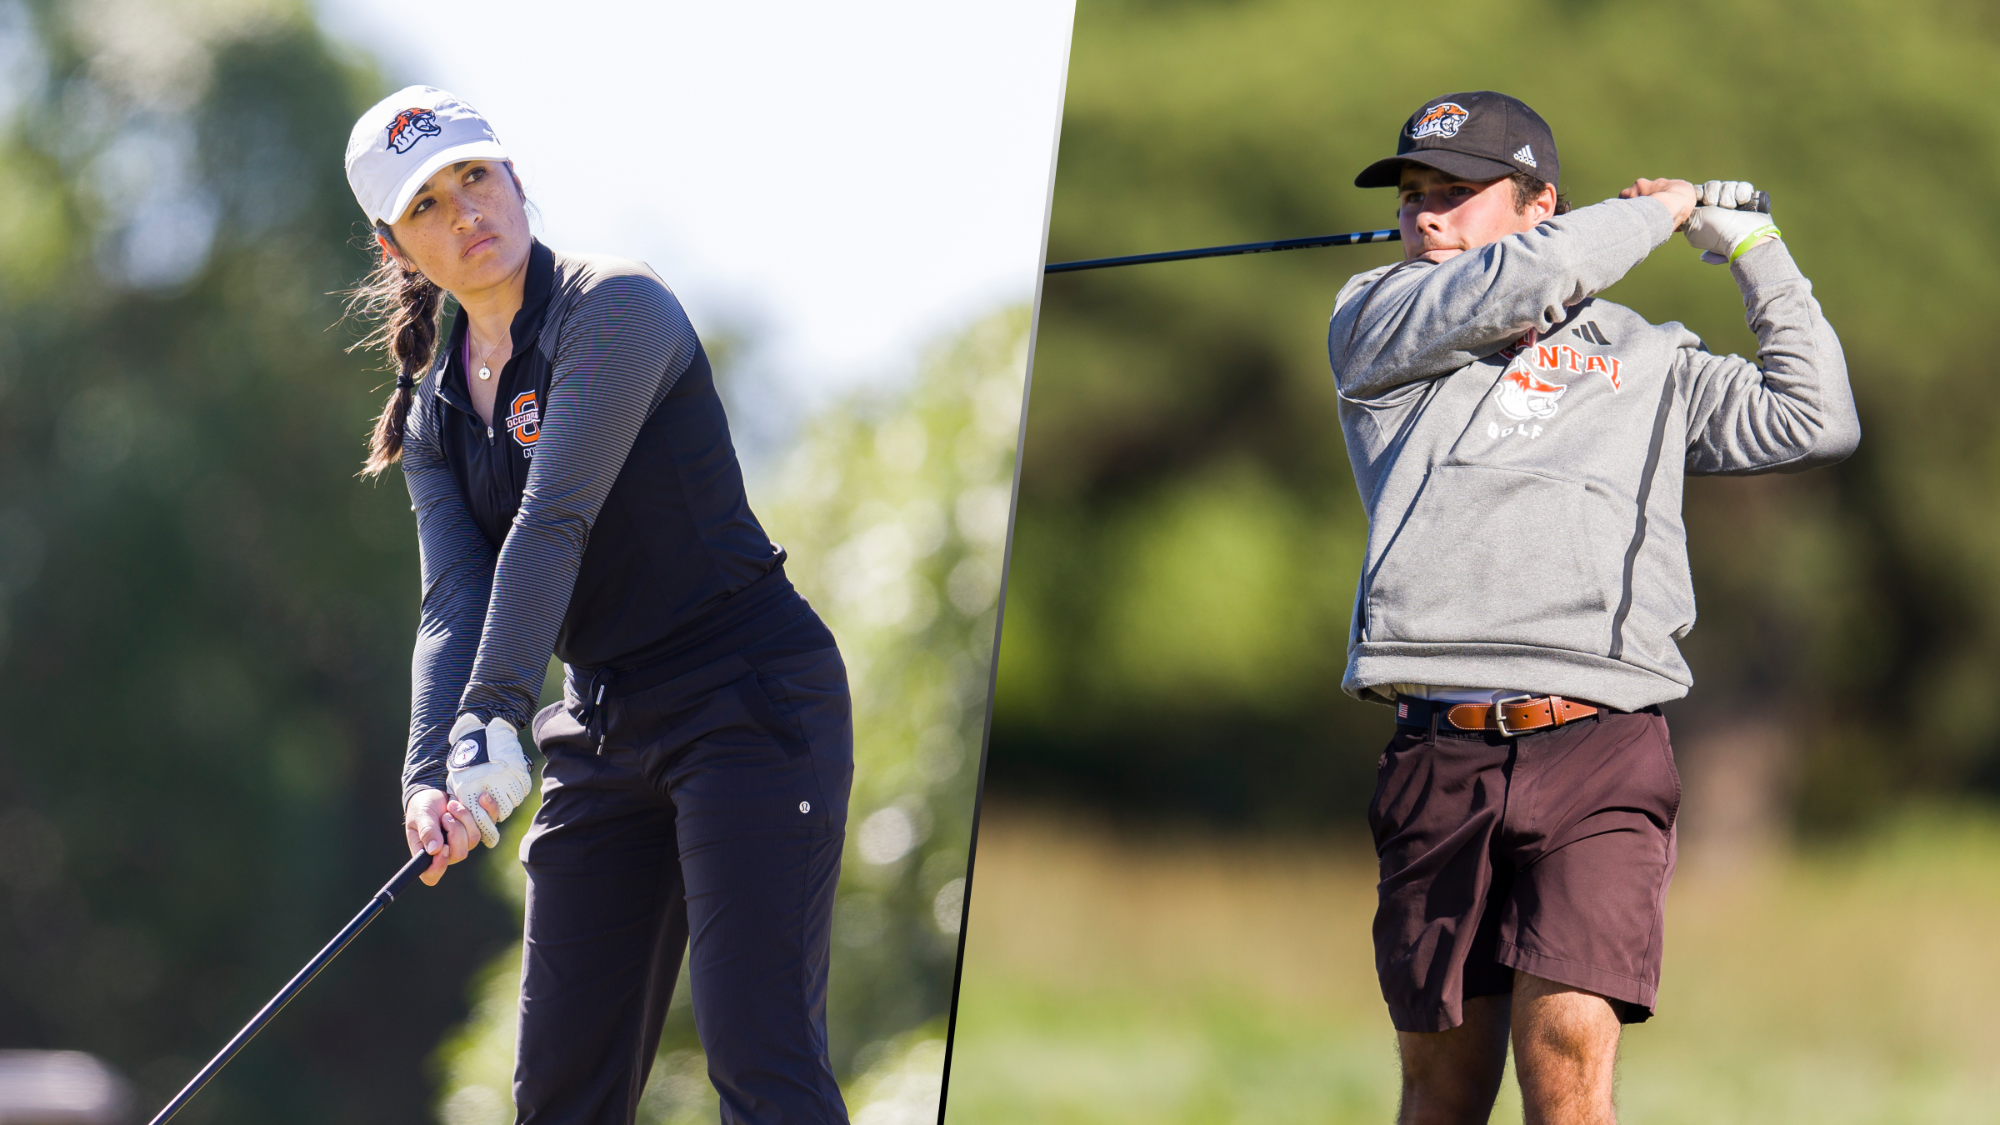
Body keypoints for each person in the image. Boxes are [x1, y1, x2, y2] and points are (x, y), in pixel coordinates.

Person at [1326, 91, 1859, 1124]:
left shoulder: (1648, 355)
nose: (1425, 216)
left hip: (1599, 740)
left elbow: (1813, 417)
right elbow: (1529, 274)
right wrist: (1656, 215)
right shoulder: (1377, 320)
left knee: (1568, 1049)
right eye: (1412, 197)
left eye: (1456, 193)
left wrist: (1750, 247)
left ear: (1538, 203)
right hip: (1439, 747)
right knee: (1440, 1087)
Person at [343, 86, 853, 1124]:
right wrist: (429, 774)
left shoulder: (616, 308)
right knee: (560, 1099)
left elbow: (554, 518)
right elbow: (453, 599)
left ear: (515, 177)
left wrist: (491, 711)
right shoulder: (435, 412)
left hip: (748, 703)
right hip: (604, 725)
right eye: (429, 205)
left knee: (761, 1065)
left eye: (475, 177)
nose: (466, 213)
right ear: (395, 244)